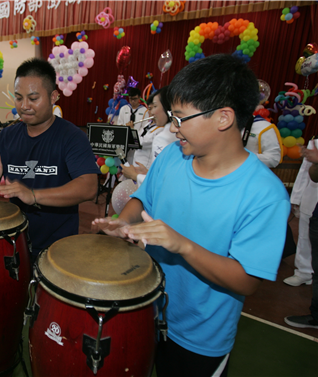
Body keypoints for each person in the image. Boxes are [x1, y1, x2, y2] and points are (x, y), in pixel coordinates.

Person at [93, 54, 290, 377]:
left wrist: (181, 245)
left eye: (181, 118)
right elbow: (143, 198)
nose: (173, 127)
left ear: (223, 118)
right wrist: (124, 223)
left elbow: (247, 279)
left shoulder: (264, 194)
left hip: (200, 336)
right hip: (144, 307)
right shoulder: (173, 156)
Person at [0, 58, 99, 260]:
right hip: (11, 241)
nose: (24, 106)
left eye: (33, 98)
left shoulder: (71, 136)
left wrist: (33, 195)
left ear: (53, 97)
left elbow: (89, 187)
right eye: (18, 97)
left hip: (57, 248)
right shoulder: (6, 137)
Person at [284, 144, 318, 329]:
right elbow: (307, 172)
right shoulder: (315, 142)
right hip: (312, 201)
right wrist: (296, 198)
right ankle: (304, 272)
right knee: (305, 239)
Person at [121, 87, 177, 186]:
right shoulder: (150, 125)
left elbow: (140, 142)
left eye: (154, 107)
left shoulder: (165, 135)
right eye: (150, 108)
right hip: (143, 168)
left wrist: (132, 130)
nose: (151, 112)